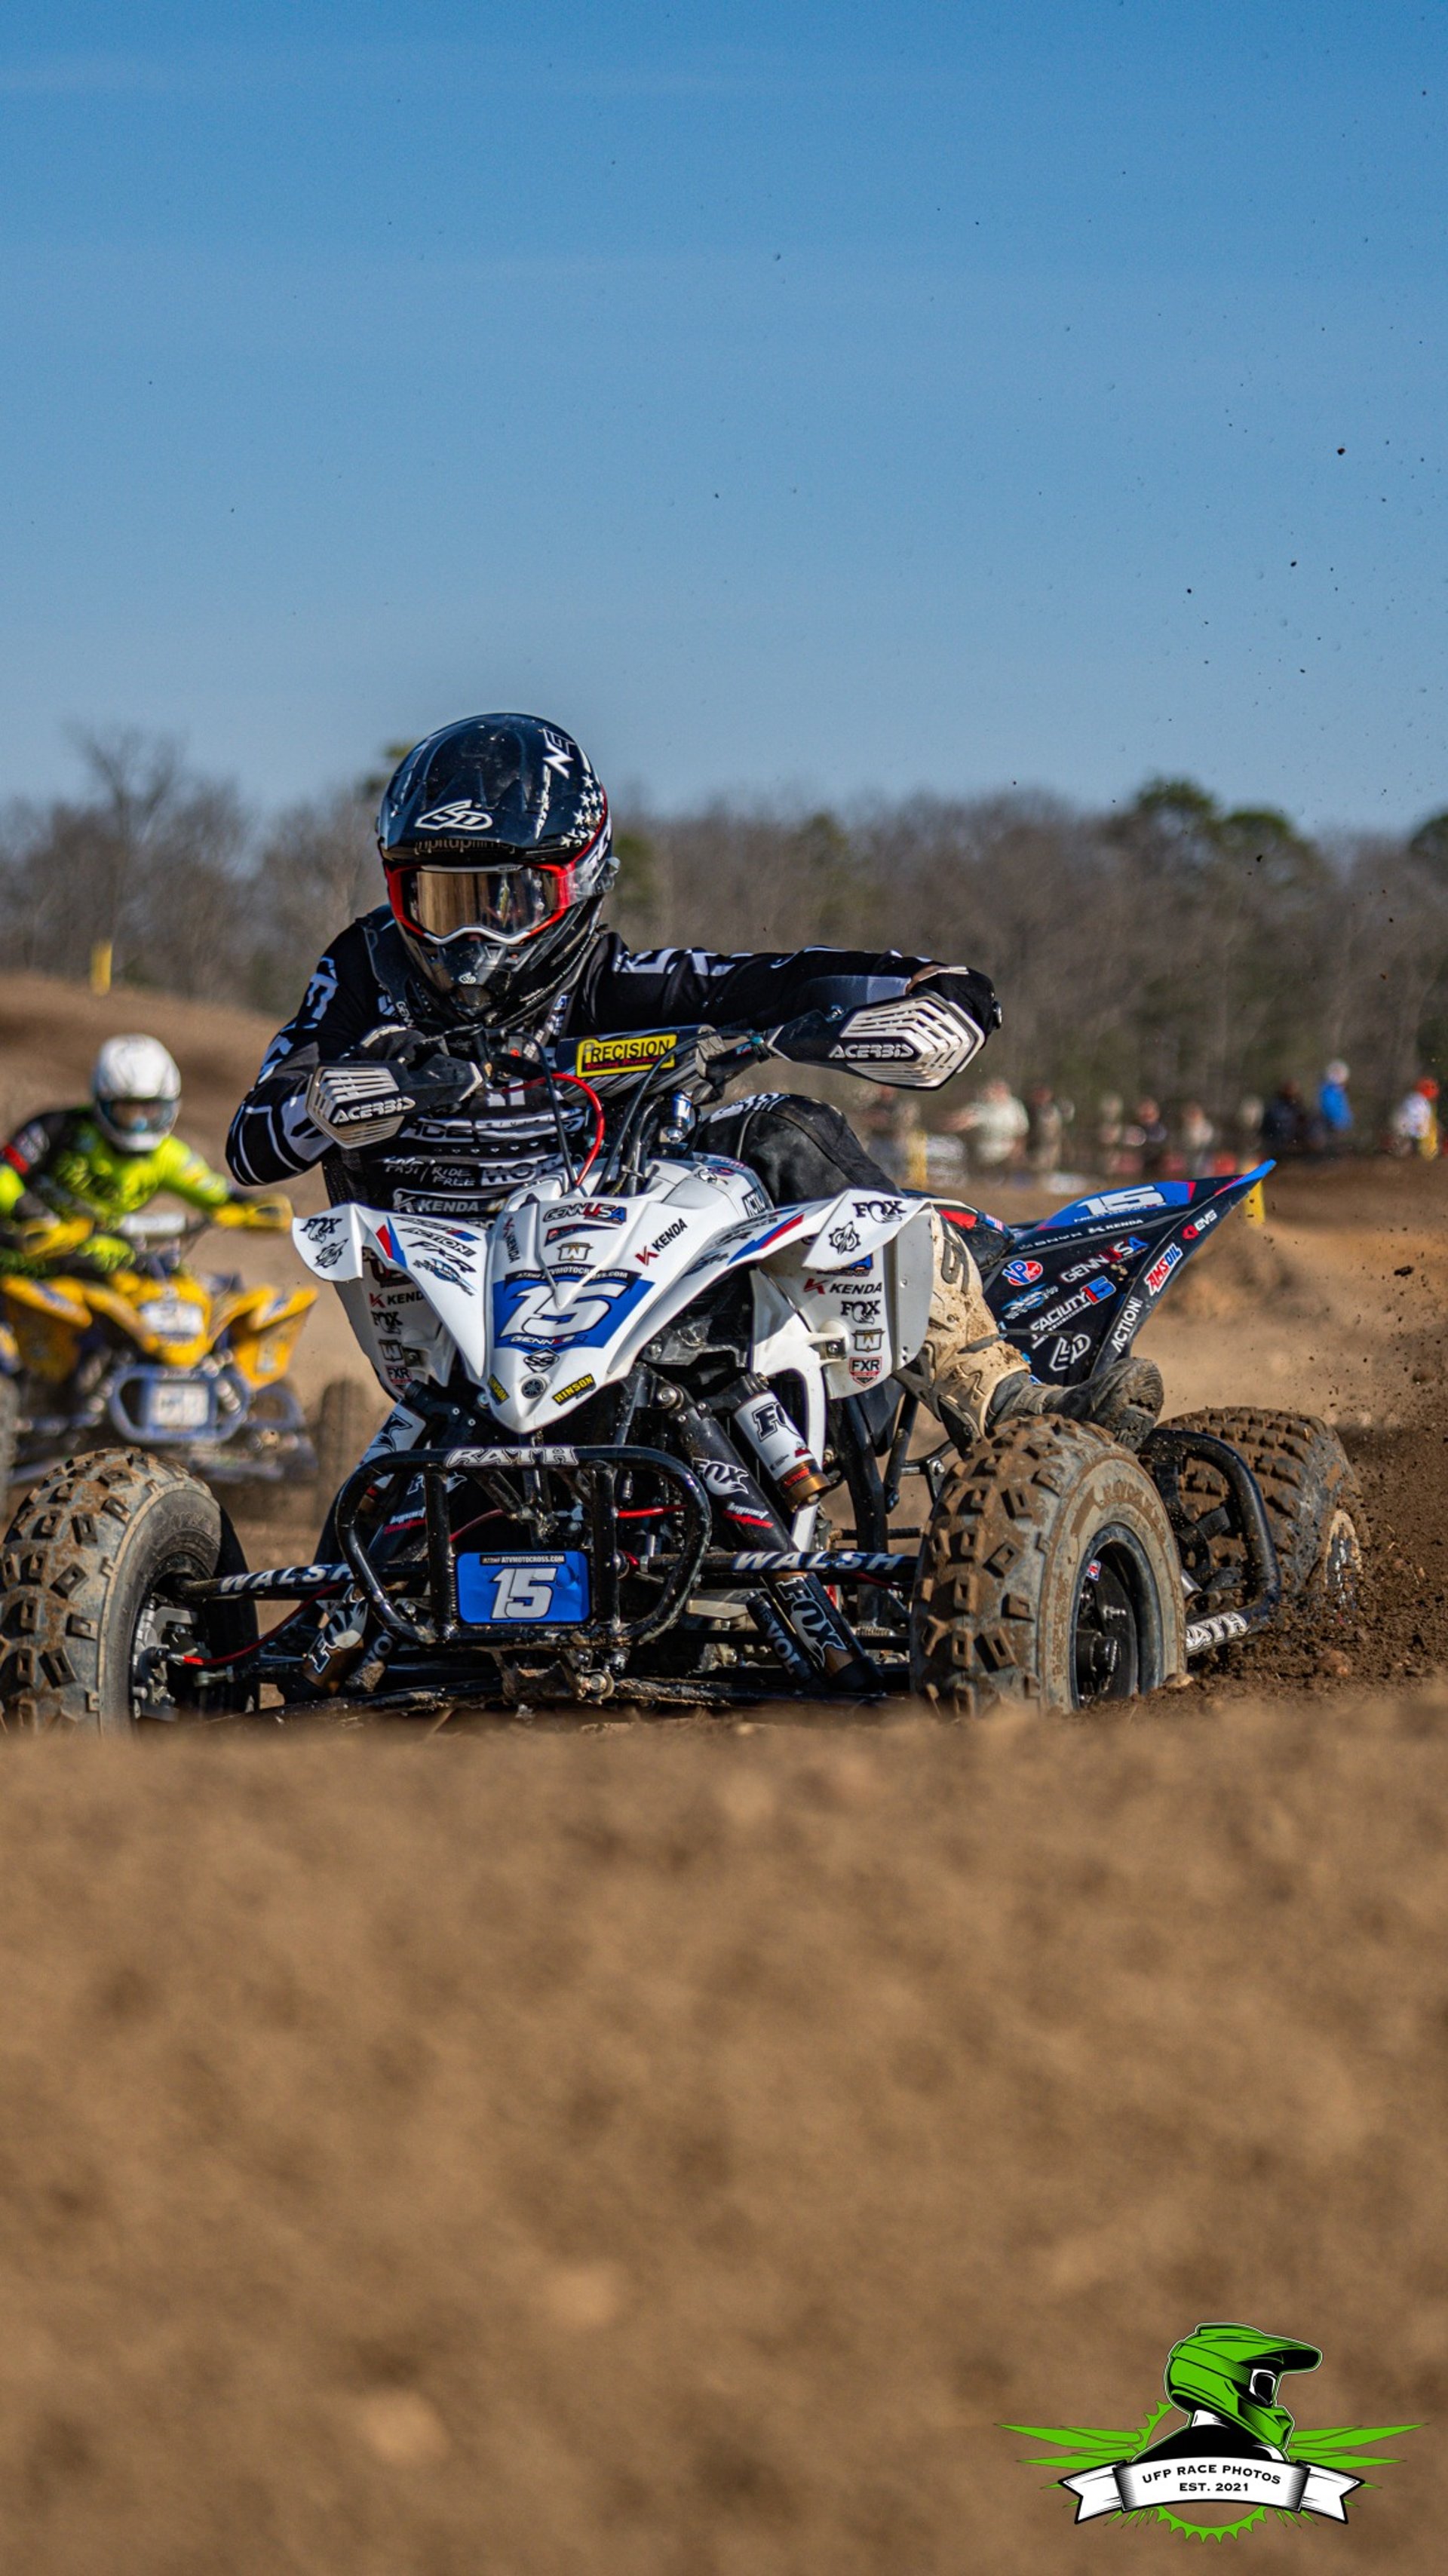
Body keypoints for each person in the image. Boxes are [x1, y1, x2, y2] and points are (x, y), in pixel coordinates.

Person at [229, 713, 1161, 1449]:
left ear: (577, 881)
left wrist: (945, 993)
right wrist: (331, 1097)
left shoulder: (612, 983)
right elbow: (249, 1143)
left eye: (507, 898)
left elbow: (774, 977)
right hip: (446, 1322)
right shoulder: (365, 971)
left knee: (783, 1128)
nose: (470, 936)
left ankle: (998, 1394)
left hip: (610, 1275)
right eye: (438, 898)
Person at [0, 1036, 280, 1277]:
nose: (139, 1124)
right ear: (103, 1103)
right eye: (127, 1111)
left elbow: (219, 1194)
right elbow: (4, 1175)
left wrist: (254, 1209)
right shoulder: (58, 1128)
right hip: (23, 1258)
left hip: (104, 1262)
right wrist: (36, 1215)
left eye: (151, 1112)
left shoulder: (168, 1155)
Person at [948, 1076, 1029, 1181]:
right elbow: (965, 1120)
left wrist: (1018, 1149)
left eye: (1001, 1090)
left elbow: (1022, 1131)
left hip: (1006, 1150)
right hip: (982, 1151)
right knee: (979, 1180)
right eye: (996, 1090)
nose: (998, 1093)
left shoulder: (1015, 1107)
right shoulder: (982, 1106)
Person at [1389, 1077, 1440, 1159]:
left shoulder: (1419, 1099)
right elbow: (1413, 1116)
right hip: (1406, 1128)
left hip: (1406, 1128)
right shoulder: (1417, 1100)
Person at [1318, 1059, 1353, 1148]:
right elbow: (1329, 1107)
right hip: (1333, 1126)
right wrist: (1339, 1121)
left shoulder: (1337, 1091)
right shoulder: (1329, 1090)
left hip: (1338, 1125)